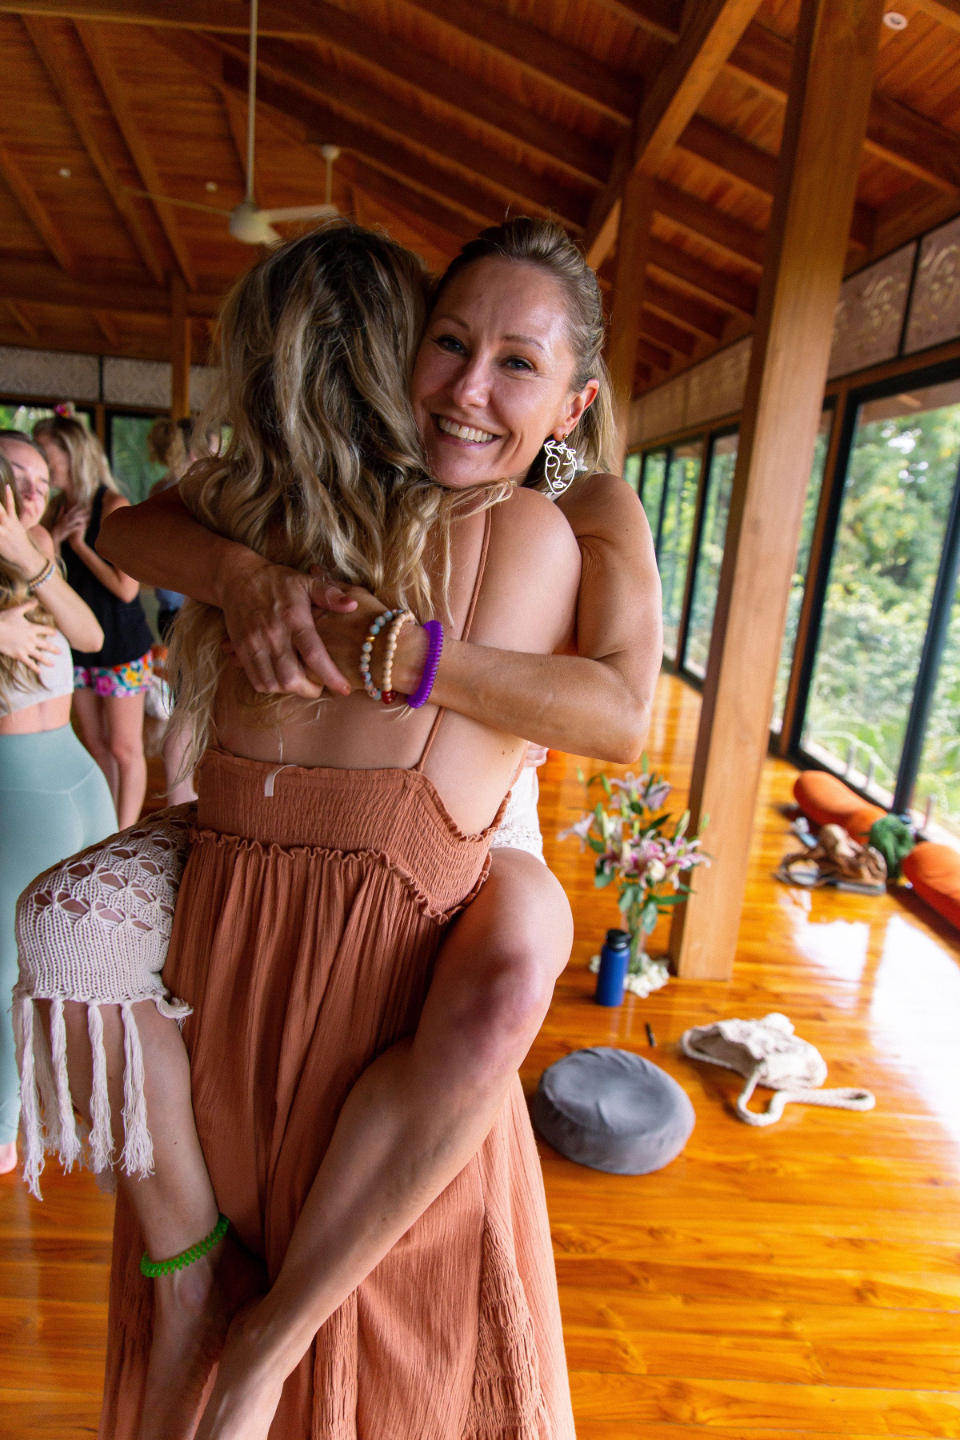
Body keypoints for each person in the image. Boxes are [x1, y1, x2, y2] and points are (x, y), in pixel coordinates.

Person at [94, 218, 660, 1437]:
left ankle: (274, 1337)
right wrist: (244, 577)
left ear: (574, 403)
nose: (467, 388)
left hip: (468, 846)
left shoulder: (585, 508)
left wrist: (408, 655)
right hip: (288, 866)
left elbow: (621, 712)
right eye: (450, 343)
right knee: (70, 931)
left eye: (518, 364)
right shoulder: (330, 496)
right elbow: (129, 530)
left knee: (517, 957)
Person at [0, 457, 113, 1176]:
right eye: (18, 477)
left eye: (42, 478)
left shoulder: (36, 552)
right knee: (3, 966)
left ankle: (79, 1098)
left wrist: (30, 558)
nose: (35, 490)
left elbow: (92, 637)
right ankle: (2, 1125)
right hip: (16, 788)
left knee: (87, 953)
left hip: (79, 775)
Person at [34, 415, 154, 827]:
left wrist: (80, 546)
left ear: (72, 453)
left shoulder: (112, 506)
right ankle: (106, 828)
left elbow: (127, 589)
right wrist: (55, 538)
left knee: (124, 748)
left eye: (45, 451)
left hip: (121, 644)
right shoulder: (55, 509)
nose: (40, 462)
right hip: (79, 645)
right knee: (96, 745)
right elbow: (44, 577)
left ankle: (124, 834)